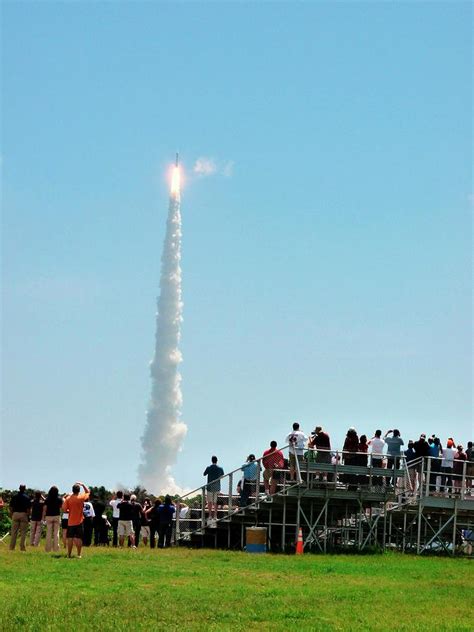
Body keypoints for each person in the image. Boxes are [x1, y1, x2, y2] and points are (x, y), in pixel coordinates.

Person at [62, 481, 90, 558]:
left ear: (72, 490)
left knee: (70, 538)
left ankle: (69, 554)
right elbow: (88, 492)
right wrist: (83, 484)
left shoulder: (68, 498)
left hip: (71, 522)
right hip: (80, 521)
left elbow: (64, 510)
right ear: (79, 490)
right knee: (79, 538)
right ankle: (79, 554)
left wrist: (69, 510)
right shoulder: (81, 497)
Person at [9, 485, 31, 551]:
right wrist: (28, 515)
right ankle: (22, 548)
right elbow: (28, 509)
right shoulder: (27, 497)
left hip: (15, 514)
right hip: (23, 514)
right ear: (25, 489)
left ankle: (12, 547)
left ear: (19, 488)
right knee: (23, 532)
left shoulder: (14, 496)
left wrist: (12, 514)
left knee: (14, 532)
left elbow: (10, 507)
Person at [203, 456, 224, 525]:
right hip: (217, 487)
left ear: (211, 460)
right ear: (217, 461)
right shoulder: (220, 468)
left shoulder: (209, 467)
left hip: (210, 487)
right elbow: (222, 475)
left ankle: (210, 516)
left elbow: (204, 474)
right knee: (216, 502)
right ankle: (215, 516)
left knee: (210, 502)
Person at [43, 486, 63, 553]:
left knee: (48, 533)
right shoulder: (59, 499)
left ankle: (48, 549)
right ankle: (56, 549)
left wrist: (43, 517)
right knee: (56, 533)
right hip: (57, 516)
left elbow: (45, 509)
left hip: (49, 516)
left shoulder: (47, 499)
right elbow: (61, 508)